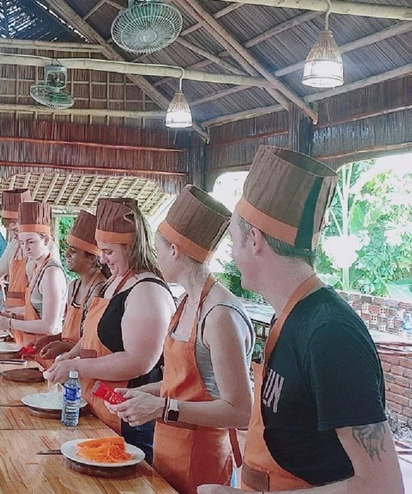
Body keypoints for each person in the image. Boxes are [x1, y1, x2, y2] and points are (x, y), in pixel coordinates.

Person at [199, 146, 403, 494]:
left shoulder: (330, 335)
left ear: (254, 240)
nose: (232, 254)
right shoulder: (292, 315)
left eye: (234, 240)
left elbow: (382, 486)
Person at [107, 186, 253, 494]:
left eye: (159, 250)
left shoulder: (219, 314)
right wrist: (142, 394)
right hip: (168, 446)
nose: (156, 258)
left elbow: (240, 410)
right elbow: (181, 382)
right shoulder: (187, 301)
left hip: (205, 457)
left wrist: (163, 408)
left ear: (174, 250)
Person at [46, 198, 174, 463]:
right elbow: (91, 336)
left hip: (129, 419)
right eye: (101, 250)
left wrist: (78, 367)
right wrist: (70, 356)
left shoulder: (147, 290)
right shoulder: (114, 282)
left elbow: (138, 362)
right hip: (98, 405)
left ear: (133, 247)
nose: (102, 258)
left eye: (110, 252)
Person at [36, 210, 108, 368]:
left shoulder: (100, 289)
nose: (66, 253)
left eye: (74, 251)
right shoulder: (74, 285)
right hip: (68, 363)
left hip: (84, 367)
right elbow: (70, 334)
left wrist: (67, 348)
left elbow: (94, 342)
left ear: (92, 258)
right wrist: (54, 338)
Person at [0, 202, 67, 346]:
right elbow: (36, 310)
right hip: (32, 345)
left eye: (31, 242)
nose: (26, 248)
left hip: (46, 348)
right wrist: (8, 313)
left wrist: (10, 322)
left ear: (46, 240)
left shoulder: (51, 273)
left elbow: (49, 326)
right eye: (22, 242)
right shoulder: (37, 268)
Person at [0, 189, 33, 312]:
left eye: (16, 230)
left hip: (32, 322)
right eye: (10, 230)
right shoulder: (14, 245)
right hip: (12, 318)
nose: (13, 235)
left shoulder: (46, 251)